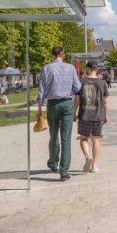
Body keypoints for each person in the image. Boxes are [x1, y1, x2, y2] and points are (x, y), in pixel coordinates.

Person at [37, 46, 81, 181]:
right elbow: (78, 87)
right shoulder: (70, 68)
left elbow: (41, 90)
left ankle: (52, 162)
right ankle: (64, 171)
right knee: (66, 138)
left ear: (52, 54)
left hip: (52, 104)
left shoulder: (46, 68)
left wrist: (39, 109)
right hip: (67, 103)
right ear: (63, 54)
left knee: (53, 135)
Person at [74, 62, 109, 173]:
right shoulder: (102, 83)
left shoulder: (81, 82)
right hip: (98, 115)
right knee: (96, 140)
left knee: (83, 138)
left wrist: (74, 112)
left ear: (88, 69)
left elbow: (76, 100)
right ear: (96, 69)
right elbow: (105, 101)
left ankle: (88, 157)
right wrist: (105, 115)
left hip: (84, 115)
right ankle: (94, 165)